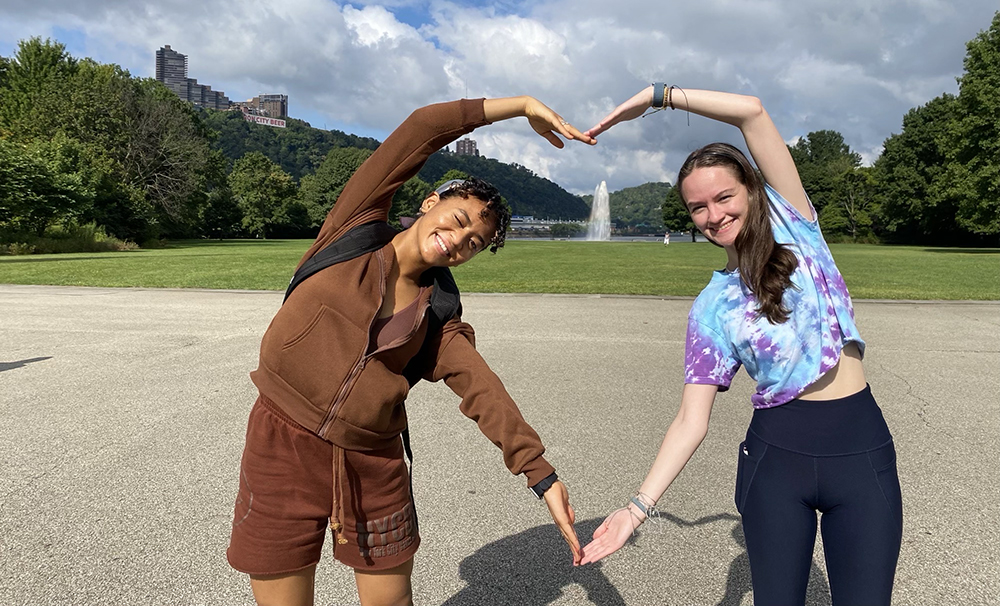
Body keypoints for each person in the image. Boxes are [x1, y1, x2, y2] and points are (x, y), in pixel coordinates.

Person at [227, 96, 595, 606]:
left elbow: (482, 389)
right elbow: (424, 127)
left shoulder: (439, 312)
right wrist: (521, 106)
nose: (459, 239)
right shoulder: (354, 230)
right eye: (459, 218)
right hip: (280, 449)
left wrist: (541, 474)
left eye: (474, 243)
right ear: (430, 204)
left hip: (374, 466)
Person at [578, 84, 902, 606]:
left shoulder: (796, 223)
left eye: (723, 196)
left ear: (751, 190)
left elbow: (751, 111)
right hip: (776, 460)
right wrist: (636, 508)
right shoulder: (711, 306)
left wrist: (657, 97)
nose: (713, 215)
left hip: (860, 448)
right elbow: (691, 419)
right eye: (697, 207)